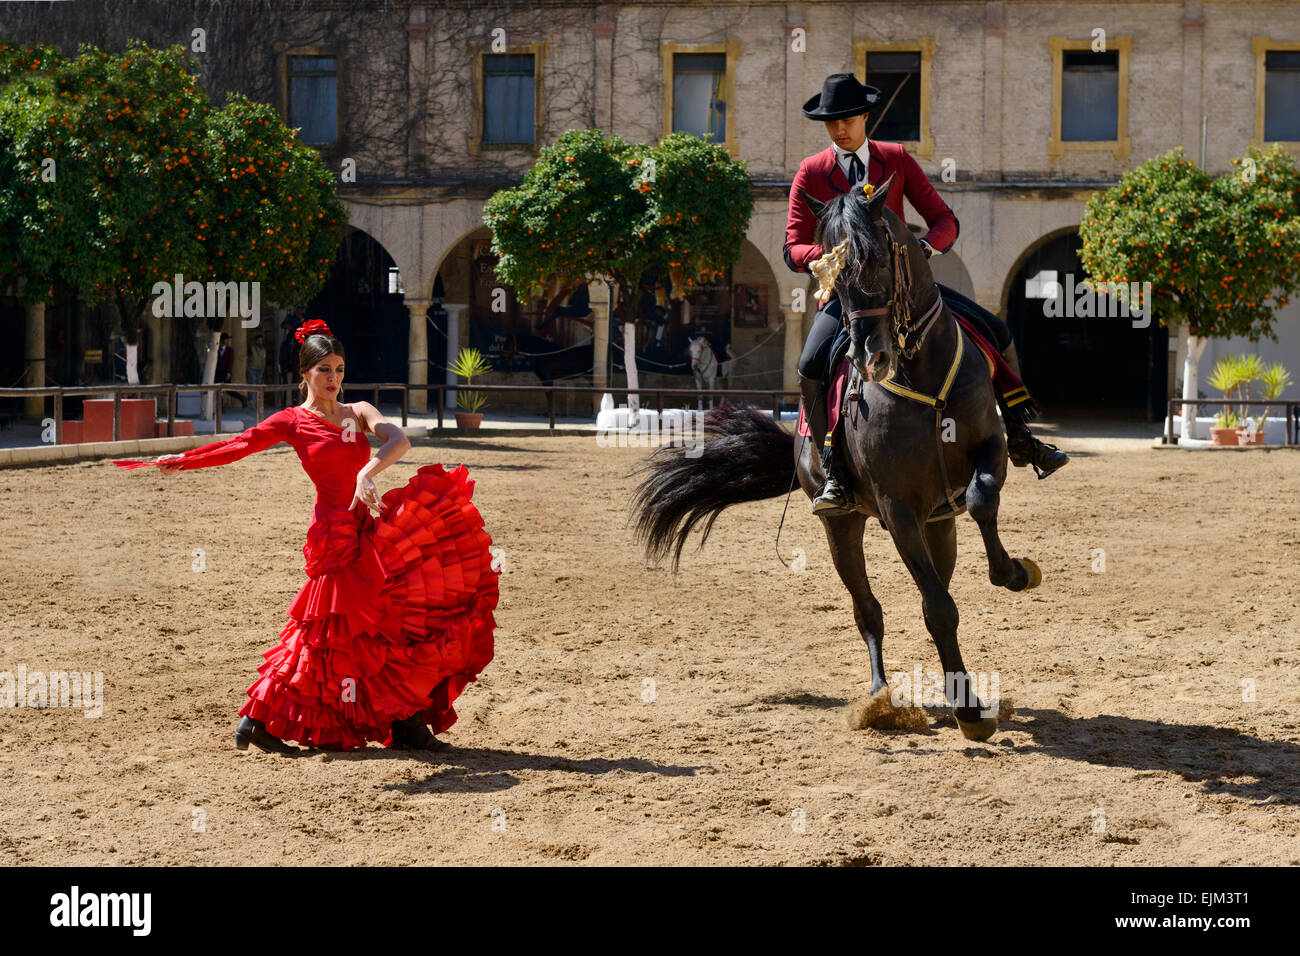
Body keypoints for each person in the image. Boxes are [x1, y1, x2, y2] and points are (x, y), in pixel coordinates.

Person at [112, 319, 500, 754]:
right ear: (305, 374)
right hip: (335, 537)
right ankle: (260, 717)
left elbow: (399, 440)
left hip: (369, 530)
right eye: (323, 370)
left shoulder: (358, 412)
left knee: (383, 622)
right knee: (325, 631)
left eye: (338, 368)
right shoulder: (293, 421)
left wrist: (367, 472)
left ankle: (401, 719)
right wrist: (184, 459)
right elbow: (238, 446)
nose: (333, 378)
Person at [786, 73, 1067, 515]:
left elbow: (944, 220)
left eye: (846, 118)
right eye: (830, 122)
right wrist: (824, 256)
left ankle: (1020, 437)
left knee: (995, 330)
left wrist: (922, 248)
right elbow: (793, 244)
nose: (839, 128)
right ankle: (835, 473)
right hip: (850, 299)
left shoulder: (896, 159)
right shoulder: (812, 171)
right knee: (807, 368)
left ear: (864, 116)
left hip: (906, 288)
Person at [215, 332, 246, 408]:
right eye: (225, 339)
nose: (226, 341)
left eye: (227, 339)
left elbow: (230, 362)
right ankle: (220, 408)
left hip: (225, 372)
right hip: (218, 373)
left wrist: (229, 372)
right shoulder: (217, 349)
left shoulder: (229, 350)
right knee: (217, 390)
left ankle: (242, 398)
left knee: (228, 389)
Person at [248, 332, 266, 406]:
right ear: (256, 341)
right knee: (253, 385)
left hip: (260, 369)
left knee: (259, 385)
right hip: (252, 368)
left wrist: (264, 367)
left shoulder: (263, 349)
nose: (260, 342)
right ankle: (253, 401)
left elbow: (264, 359)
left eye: (261, 340)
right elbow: (247, 358)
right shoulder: (251, 348)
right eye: (259, 340)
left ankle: (258, 402)